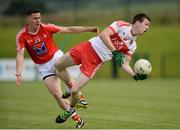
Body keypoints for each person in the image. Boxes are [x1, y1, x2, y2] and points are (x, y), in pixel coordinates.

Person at [54, 13, 150, 124]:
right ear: (137, 23)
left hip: (95, 61)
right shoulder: (121, 25)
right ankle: (69, 86)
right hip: (87, 47)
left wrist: (134, 75)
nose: (147, 28)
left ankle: (69, 111)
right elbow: (104, 35)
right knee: (58, 65)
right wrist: (115, 51)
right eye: (146, 24)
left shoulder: (133, 45)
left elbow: (124, 63)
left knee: (76, 91)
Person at [15, 7, 99, 128]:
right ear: (28, 19)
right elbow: (20, 54)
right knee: (58, 97)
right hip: (43, 67)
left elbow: (69, 29)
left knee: (58, 67)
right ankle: (78, 119)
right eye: (35, 18)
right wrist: (18, 73)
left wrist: (89, 29)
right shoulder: (22, 36)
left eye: (39, 17)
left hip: (56, 57)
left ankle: (77, 94)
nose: (38, 20)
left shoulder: (46, 27)